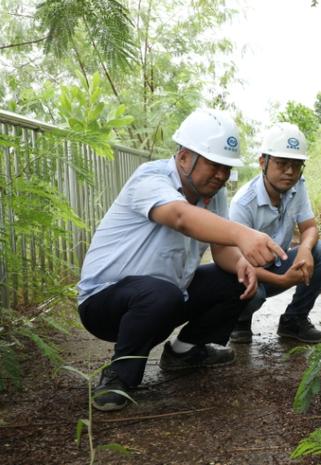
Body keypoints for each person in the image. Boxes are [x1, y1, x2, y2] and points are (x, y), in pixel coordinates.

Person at [77, 108, 286, 412]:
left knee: (233, 280)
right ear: (185, 156)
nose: (221, 175)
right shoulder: (150, 178)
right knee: (160, 293)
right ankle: (118, 377)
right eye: (214, 165)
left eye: (226, 168)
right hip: (106, 302)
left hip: (165, 298)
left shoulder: (212, 195)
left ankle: (185, 351)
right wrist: (243, 234)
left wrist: (240, 262)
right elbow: (180, 217)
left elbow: (221, 247)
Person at [228, 122, 321, 345]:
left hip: (278, 264)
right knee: (252, 293)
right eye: (281, 163)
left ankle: (293, 320)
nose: (289, 172)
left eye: (296, 165)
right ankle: (239, 320)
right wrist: (282, 279)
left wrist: (305, 249)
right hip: (246, 273)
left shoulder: (297, 186)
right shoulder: (243, 204)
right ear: (262, 162)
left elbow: (310, 227)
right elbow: (234, 262)